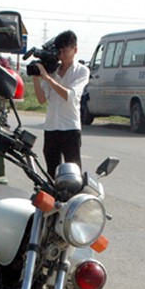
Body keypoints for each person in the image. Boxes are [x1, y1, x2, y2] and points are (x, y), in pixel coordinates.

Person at [32, 30, 89, 179]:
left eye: (65, 49)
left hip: (70, 128)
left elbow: (69, 95)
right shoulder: (53, 70)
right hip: (51, 127)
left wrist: (48, 78)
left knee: (73, 174)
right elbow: (41, 99)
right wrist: (36, 77)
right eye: (59, 50)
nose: (61, 53)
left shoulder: (81, 71)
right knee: (51, 173)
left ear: (75, 50)